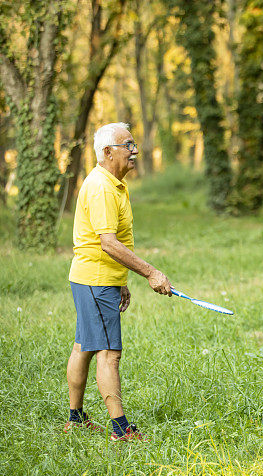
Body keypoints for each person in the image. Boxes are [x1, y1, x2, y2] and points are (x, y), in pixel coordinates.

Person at [65, 122, 172, 442]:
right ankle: (120, 430)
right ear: (108, 152)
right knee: (109, 354)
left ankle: (76, 419)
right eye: (128, 145)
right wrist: (151, 273)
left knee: (83, 346)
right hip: (95, 282)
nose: (135, 150)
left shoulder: (112, 183)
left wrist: (121, 280)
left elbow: (108, 243)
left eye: (134, 143)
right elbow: (108, 243)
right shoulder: (100, 187)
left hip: (94, 280)